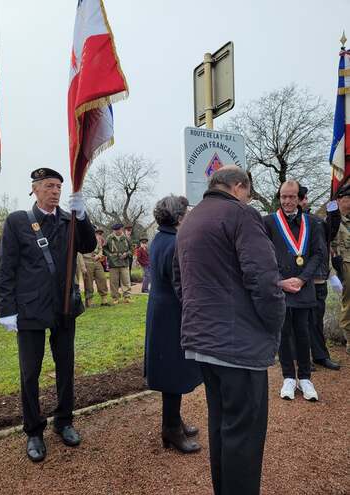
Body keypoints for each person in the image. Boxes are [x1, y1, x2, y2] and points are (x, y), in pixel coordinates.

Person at [173, 166, 285, 494]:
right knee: (244, 436)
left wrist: (203, 318)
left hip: (202, 342)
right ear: (239, 187)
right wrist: (274, 323)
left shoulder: (189, 221)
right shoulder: (241, 215)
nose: (247, 198)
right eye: (247, 193)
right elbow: (264, 281)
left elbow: (180, 282)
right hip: (238, 345)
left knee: (222, 425)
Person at [0, 168, 96, 462]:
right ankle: (34, 431)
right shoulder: (17, 222)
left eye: (59, 187)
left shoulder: (69, 220)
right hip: (30, 309)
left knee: (66, 367)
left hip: (63, 306)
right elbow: (6, 267)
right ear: (35, 189)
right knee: (30, 373)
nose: (55, 191)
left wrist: (83, 216)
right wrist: (6, 311)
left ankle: (64, 420)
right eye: (49, 186)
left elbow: (88, 245)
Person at [145, 195, 203, 454]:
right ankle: (170, 428)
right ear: (180, 218)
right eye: (187, 212)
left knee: (171, 370)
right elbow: (182, 284)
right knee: (173, 373)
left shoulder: (161, 237)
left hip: (162, 312)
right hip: (172, 315)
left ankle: (174, 420)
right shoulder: (175, 242)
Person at [264, 180, 323, 402]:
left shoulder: (312, 222)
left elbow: (318, 254)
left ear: (299, 198)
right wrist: (280, 280)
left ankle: (306, 377)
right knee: (284, 333)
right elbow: (263, 254)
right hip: (280, 287)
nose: (287, 201)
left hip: (303, 287)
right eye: (283, 197)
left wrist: (301, 278)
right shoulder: (268, 222)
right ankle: (288, 376)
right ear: (279, 197)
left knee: (304, 332)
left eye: (292, 197)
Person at [298, 186, 340, 370]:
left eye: (305, 197)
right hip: (299, 280)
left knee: (316, 320)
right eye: (302, 197)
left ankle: (320, 355)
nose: (305, 200)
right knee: (299, 322)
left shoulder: (315, 221)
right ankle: (301, 357)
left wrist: (333, 210)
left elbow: (330, 232)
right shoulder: (290, 223)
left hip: (318, 279)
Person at [331, 183, 350, 354]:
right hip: (344, 265)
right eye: (348, 198)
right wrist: (333, 274)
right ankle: (349, 339)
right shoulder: (333, 221)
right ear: (339, 200)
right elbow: (329, 247)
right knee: (348, 303)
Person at [104, 224, 132, 304]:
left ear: (121, 229)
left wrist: (126, 254)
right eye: (115, 230)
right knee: (113, 282)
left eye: (118, 230)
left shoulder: (126, 238)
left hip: (124, 263)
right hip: (113, 263)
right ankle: (115, 298)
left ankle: (127, 297)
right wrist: (109, 255)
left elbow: (131, 249)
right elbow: (105, 249)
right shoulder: (109, 238)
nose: (117, 231)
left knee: (126, 281)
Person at [82, 228, 109, 307]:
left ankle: (104, 299)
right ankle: (89, 301)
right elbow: (80, 252)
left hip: (97, 261)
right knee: (88, 282)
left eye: (100, 234)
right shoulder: (84, 240)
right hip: (87, 261)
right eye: (97, 233)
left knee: (102, 278)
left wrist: (99, 255)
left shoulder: (98, 240)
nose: (99, 235)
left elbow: (101, 249)